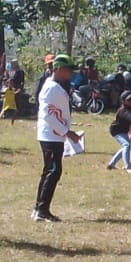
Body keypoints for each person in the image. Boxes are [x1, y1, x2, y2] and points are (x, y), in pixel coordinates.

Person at [34, 55, 81, 222]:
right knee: (53, 171)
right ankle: (42, 210)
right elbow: (46, 114)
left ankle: (39, 208)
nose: (71, 73)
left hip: (55, 135)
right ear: (59, 69)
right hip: (51, 135)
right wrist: (67, 132)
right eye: (69, 70)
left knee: (51, 170)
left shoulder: (56, 87)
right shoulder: (50, 88)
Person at [107, 92, 131, 172]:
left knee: (125, 146)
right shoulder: (123, 111)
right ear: (123, 101)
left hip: (123, 130)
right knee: (126, 145)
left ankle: (111, 164)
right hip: (116, 131)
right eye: (129, 100)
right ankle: (128, 166)